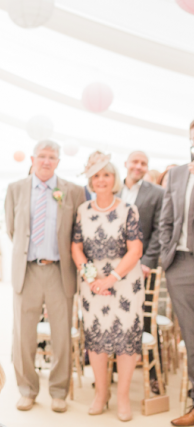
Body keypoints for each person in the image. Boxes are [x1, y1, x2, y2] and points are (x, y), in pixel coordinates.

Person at [5, 140, 85, 413]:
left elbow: (79, 231)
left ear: (59, 162)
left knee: (61, 335)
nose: (46, 161)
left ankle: (59, 391)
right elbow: (12, 229)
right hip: (27, 271)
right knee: (23, 335)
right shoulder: (16, 189)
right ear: (32, 158)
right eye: (42, 156)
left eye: (52, 157)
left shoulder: (73, 191)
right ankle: (27, 390)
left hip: (59, 271)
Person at [71, 152, 144, 422]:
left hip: (125, 284)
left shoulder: (128, 209)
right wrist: (91, 279)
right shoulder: (83, 210)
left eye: (106, 174)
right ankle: (101, 393)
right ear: (91, 180)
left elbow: (135, 249)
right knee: (97, 341)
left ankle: (123, 396)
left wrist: (110, 279)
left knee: (126, 341)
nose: (101, 180)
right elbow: (76, 247)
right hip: (92, 285)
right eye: (96, 176)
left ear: (114, 178)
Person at [117, 151, 165, 391]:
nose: (138, 166)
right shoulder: (113, 190)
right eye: (134, 162)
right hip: (115, 269)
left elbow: (159, 230)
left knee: (145, 320)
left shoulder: (157, 194)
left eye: (143, 163)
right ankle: (114, 371)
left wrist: (147, 260)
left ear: (147, 167)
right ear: (126, 164)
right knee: (116, 316)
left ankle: (154, 375)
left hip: (143, 267)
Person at [161, 120, 194, 427]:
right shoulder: (177, 173)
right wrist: (165, 259)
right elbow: (166, 220)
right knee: (192, 338)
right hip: (180, 265)